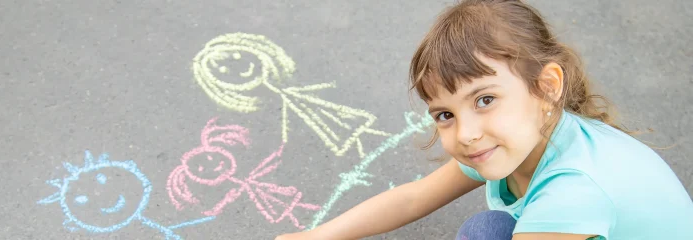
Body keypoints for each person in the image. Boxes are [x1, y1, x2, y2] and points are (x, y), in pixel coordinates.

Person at [275, 0, 693, 239]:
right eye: (445, 115)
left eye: (485, 99)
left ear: (546, 87)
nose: (467, 133)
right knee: (487, 229)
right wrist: (315, 236)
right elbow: (413, 198)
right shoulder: (520, 138)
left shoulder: (572, 193)